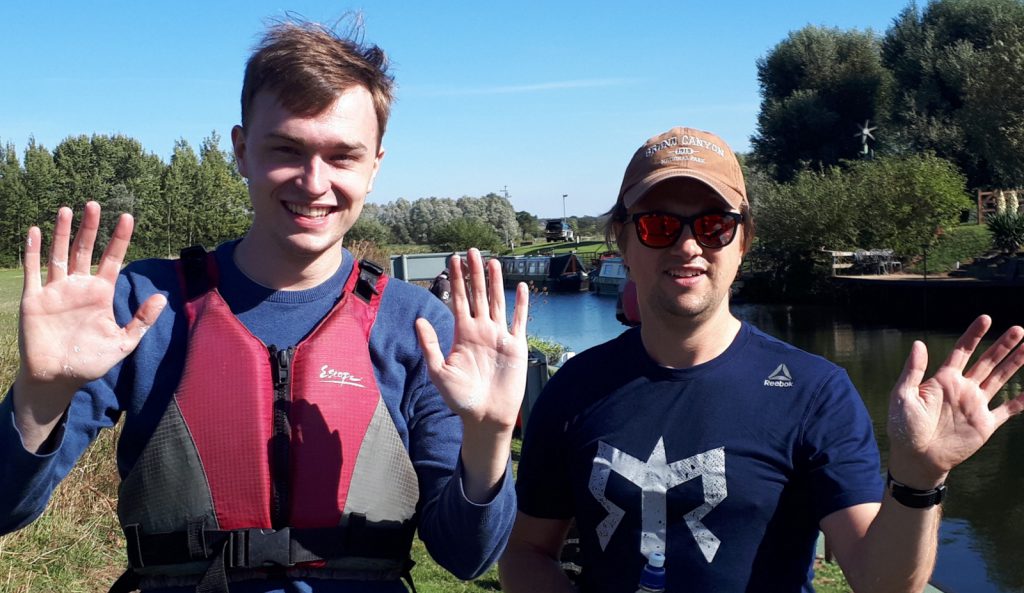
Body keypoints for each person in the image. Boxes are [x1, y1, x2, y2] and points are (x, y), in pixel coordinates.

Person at [0, 19, 529, 593]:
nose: (314, 181)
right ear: (242, 150)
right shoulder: (145, 305)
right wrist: (39, 396)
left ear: (375, 166)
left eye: (342, 156)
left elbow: (466, 557)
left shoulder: (417, 326)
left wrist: (490, 437)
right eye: (287, 148)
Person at [499, 126, 1024, 593]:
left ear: (743, 241)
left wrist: (918, 475)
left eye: (713, 226)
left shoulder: (816, 392)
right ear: (623, 242)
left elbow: (881, 582)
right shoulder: (575, 387)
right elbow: (525, 554)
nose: (688, 246)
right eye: (659, 225)